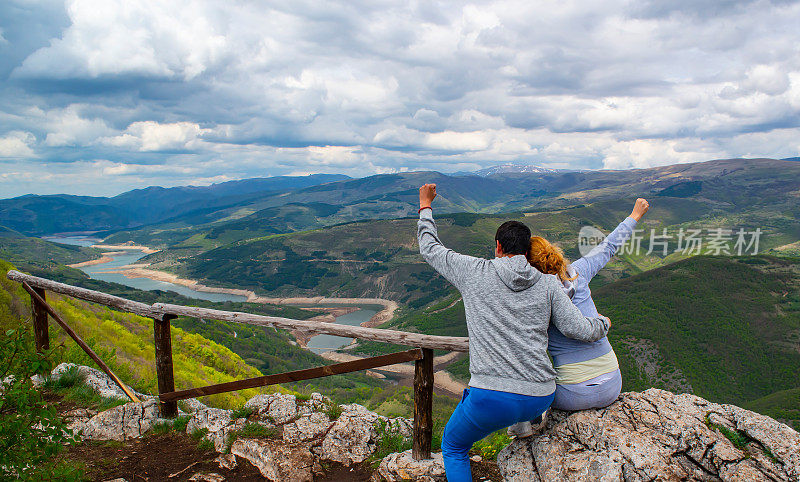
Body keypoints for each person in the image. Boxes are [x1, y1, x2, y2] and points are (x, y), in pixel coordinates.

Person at [416, 183, 611, 482]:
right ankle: (524, 423)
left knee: (453, 447)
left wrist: (425, 205)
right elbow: (578, 329)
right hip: (541, 396)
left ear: (497, 247)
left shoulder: (475, 271)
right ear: (526, 250)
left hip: (491, 397)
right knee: (519, 405)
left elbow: (431, 248)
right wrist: (604, 323)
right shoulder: (548, 284)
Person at [508, 198, 650, 438]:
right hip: (613, 386)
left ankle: (523, 424)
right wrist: (634, 215)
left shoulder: (534, 297)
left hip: (571, 396)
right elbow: (608, 246)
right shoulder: (577, 273)